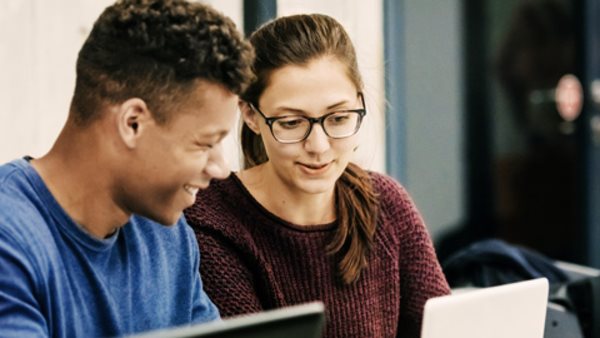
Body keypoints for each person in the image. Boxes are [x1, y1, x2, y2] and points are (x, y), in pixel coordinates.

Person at [184, 13, 450, 337]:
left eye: (338, 118)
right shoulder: (212, 224)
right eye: (292, 123)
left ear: (360, 104)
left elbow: (444, 329)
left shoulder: (387, 205)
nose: (319, 147)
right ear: (251, 115)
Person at [0, 1, 254, 337]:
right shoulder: (10, 241)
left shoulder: (168, 235)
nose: (221, 168)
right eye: (205, 144)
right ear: (133, 122)